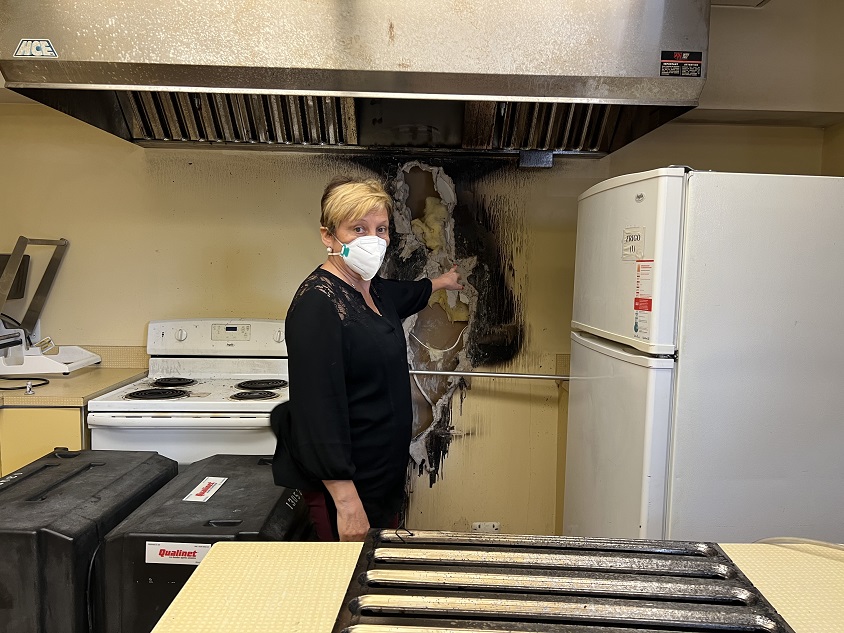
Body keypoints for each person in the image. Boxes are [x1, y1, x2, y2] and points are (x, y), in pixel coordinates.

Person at [272, 176, 463, 542]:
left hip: (380, 474)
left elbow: (405, 294)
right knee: (344, 583)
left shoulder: (372, 288)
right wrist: (347, 503)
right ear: (329, 236)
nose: (373, 241)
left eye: (381, 229)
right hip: (345, 488)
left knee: (372, 570)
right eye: (358, 229)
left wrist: (439, 283)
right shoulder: (318, 305)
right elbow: (318, 411)